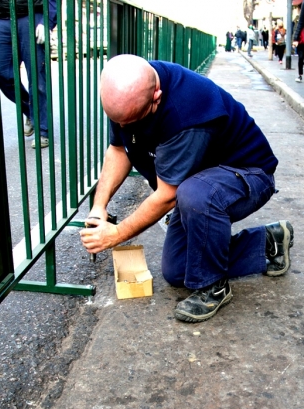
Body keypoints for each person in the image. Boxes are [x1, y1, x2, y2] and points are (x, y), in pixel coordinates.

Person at [79, 56, 292, 324]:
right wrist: (100, 206)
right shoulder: (125, 91)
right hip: (201, 181)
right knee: (179, 270)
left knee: (192, 194)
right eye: (119, 121)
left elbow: (167, 196)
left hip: (249, 176)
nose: (124, 127)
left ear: (156, 96)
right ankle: (267, 243)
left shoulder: (186, 110)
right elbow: (119, 149)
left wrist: (117, 235)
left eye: (132, 120)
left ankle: (214, 286)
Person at [0, 0, 56, 149]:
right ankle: (31, 112)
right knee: (2, 74)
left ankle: (43, 130)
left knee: (37, 77)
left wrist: (47, 21)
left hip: (30, 14)